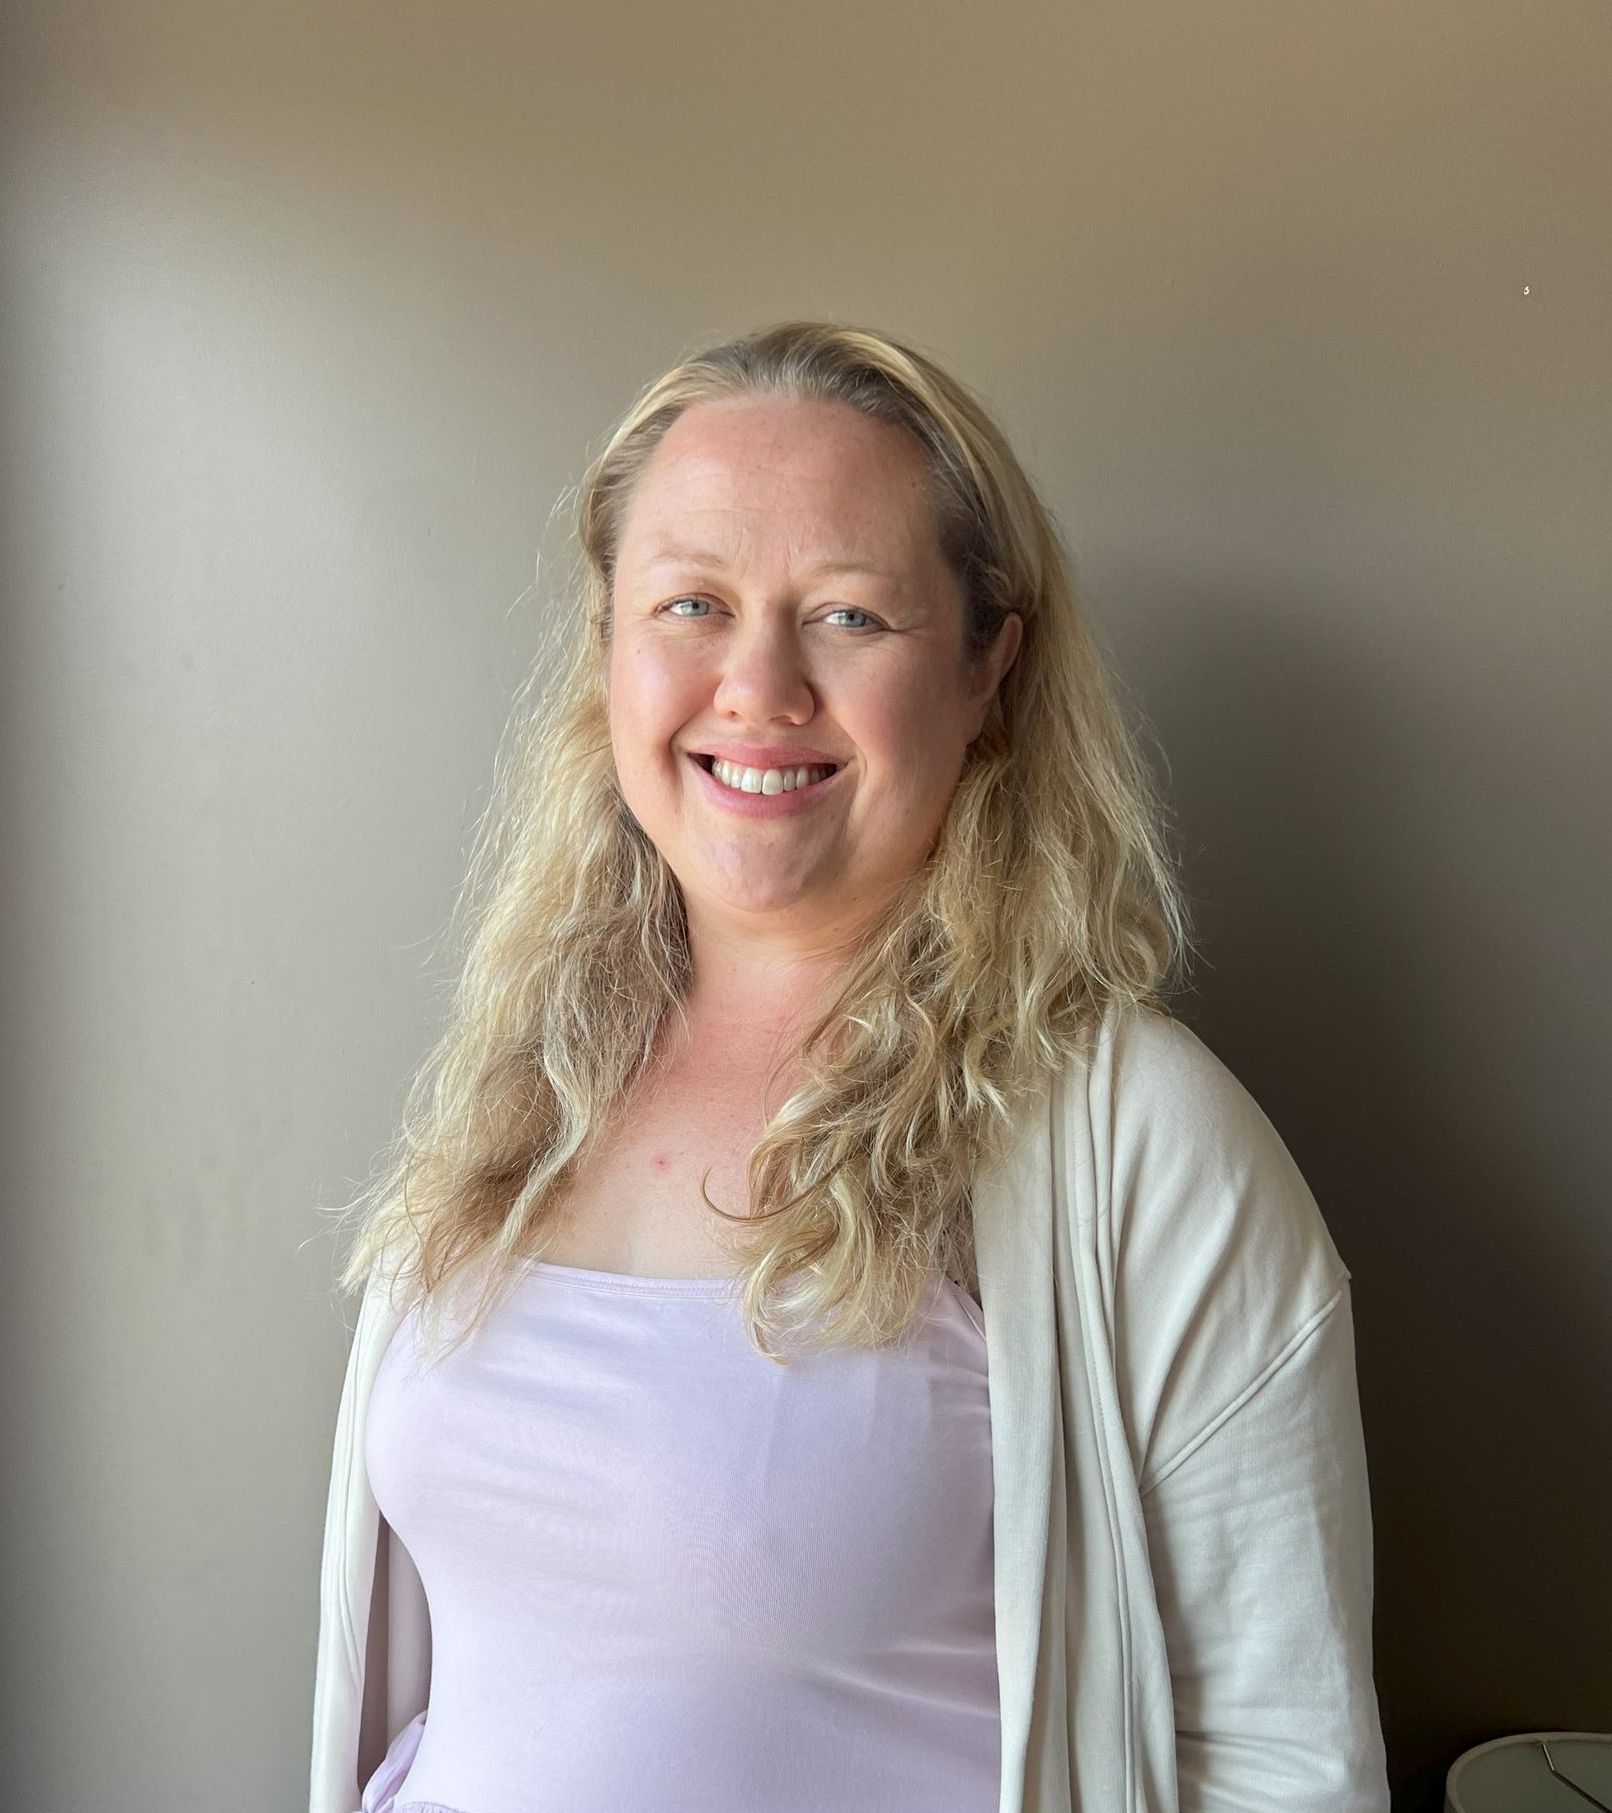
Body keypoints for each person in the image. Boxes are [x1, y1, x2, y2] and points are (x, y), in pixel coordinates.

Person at [309, 320, 1391, 1812]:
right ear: (612, 643)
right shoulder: (530, 1078)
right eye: (692, 603)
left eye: (850, 616)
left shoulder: (1139, 1140)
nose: (758, 686)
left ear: (989, 665)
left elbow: (1286, 1764)